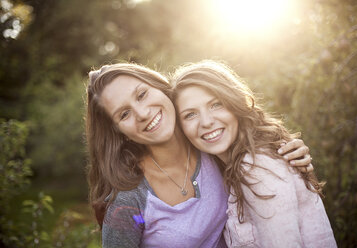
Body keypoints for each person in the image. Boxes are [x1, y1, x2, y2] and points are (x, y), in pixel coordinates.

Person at [85, 62, 314, 247]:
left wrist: (287, 154)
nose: (142, 113)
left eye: (142, 94)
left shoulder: (208, 143)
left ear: (161, 88)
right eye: (124, 114)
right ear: (118, 131)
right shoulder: (130, 205)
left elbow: (254, 147)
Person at [172, 60, 337, 248]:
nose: (206, 121)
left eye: (216, 104)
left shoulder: (257, 164)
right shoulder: (223, 167)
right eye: (190, 115)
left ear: (234, 103)